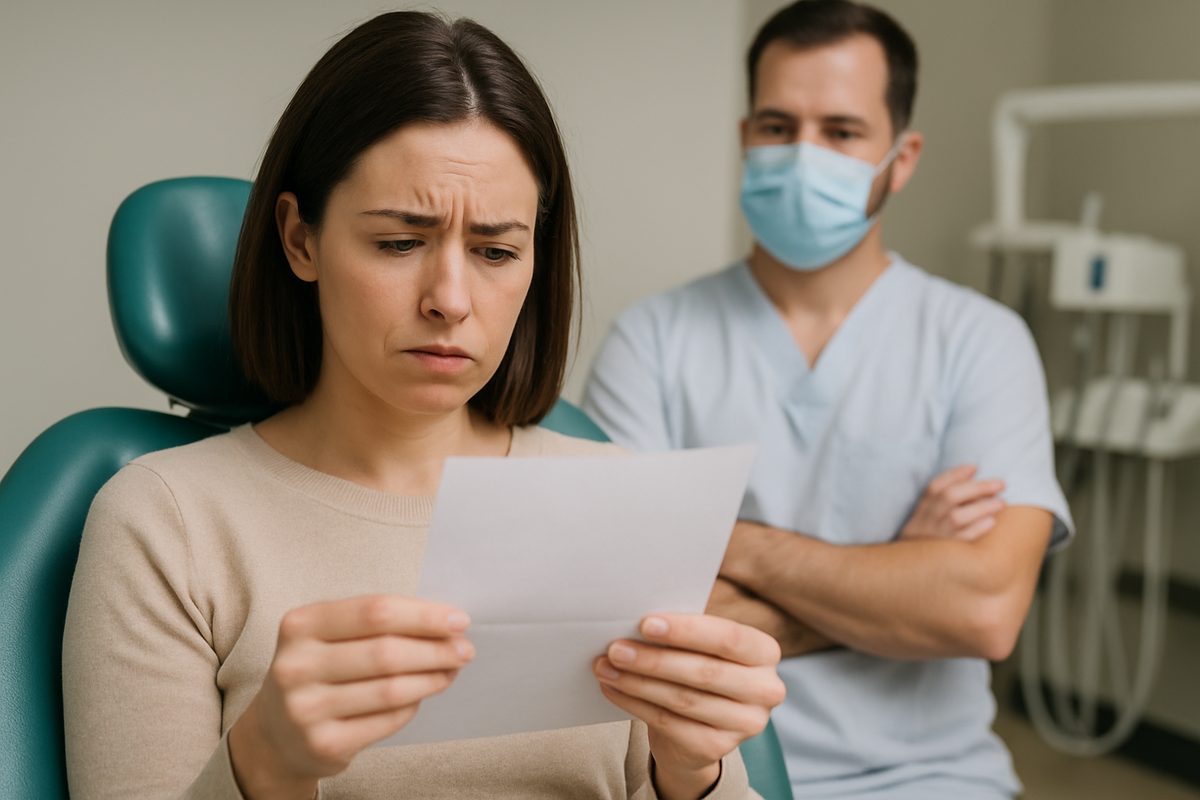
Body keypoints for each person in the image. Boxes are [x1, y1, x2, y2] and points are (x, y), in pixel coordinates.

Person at [61, 12, 785, 800]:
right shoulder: (167, 521)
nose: (450, 300)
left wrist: (693, 772)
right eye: (400, 243)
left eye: (497, 252)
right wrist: (264, 762)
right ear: (300, 239)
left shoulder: (617, 496)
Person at [583, 1, 1073, 798]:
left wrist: (715, 538)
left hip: (930, 777)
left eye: (842, 133)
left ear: (901, 156)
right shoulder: (653, 340)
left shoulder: (980, 340)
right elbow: (623, 624)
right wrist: (901, 576)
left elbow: (982, 609)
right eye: (778, 127)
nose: (803, 155)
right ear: (747, 137)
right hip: (696, 776)